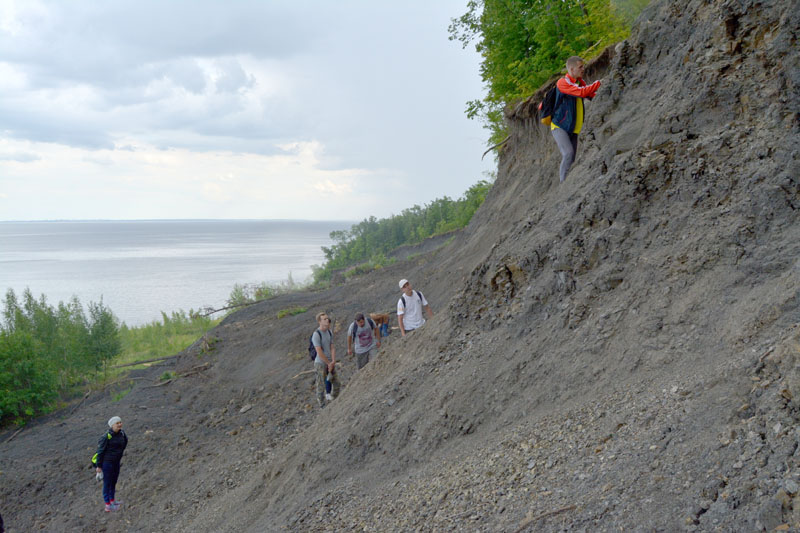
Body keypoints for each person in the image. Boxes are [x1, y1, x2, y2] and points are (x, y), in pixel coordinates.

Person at [550, 56, 602, 183]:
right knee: (568, 153)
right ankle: (563, 184)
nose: (583, 69)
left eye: (583, 66)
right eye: (580, 67)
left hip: (573, 127)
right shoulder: (563, 83)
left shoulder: (580, 82)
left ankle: (568, 183)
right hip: (559, 125)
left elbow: (590, 95)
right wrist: (598, 83)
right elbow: (582, 93)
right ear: (572, 69)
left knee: (572, 157)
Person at [92, 416, 128, 512]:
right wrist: (99, 467)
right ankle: (108, 505)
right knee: (107, 483)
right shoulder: (106, 437)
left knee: (113, 482)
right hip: (106, 463)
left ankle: (113, 501)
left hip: (116, 462)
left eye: (120, 422)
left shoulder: (122, 434)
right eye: (117, 423)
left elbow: (125, 444)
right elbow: (100, 452)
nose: (120, 424)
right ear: (112, 425)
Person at [311, 312, 340, 407]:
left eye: (327, 318)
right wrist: (328, 363)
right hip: (320, 363)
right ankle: (322, 405)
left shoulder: (329, 332)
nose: (327, 320)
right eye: (324, 319)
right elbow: (319, 351)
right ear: (319, 321)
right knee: (320, 384)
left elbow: (332, 347)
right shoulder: (316, 334)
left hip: (329, 362)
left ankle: (334, 399)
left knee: (336, 382)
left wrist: (333, 360)